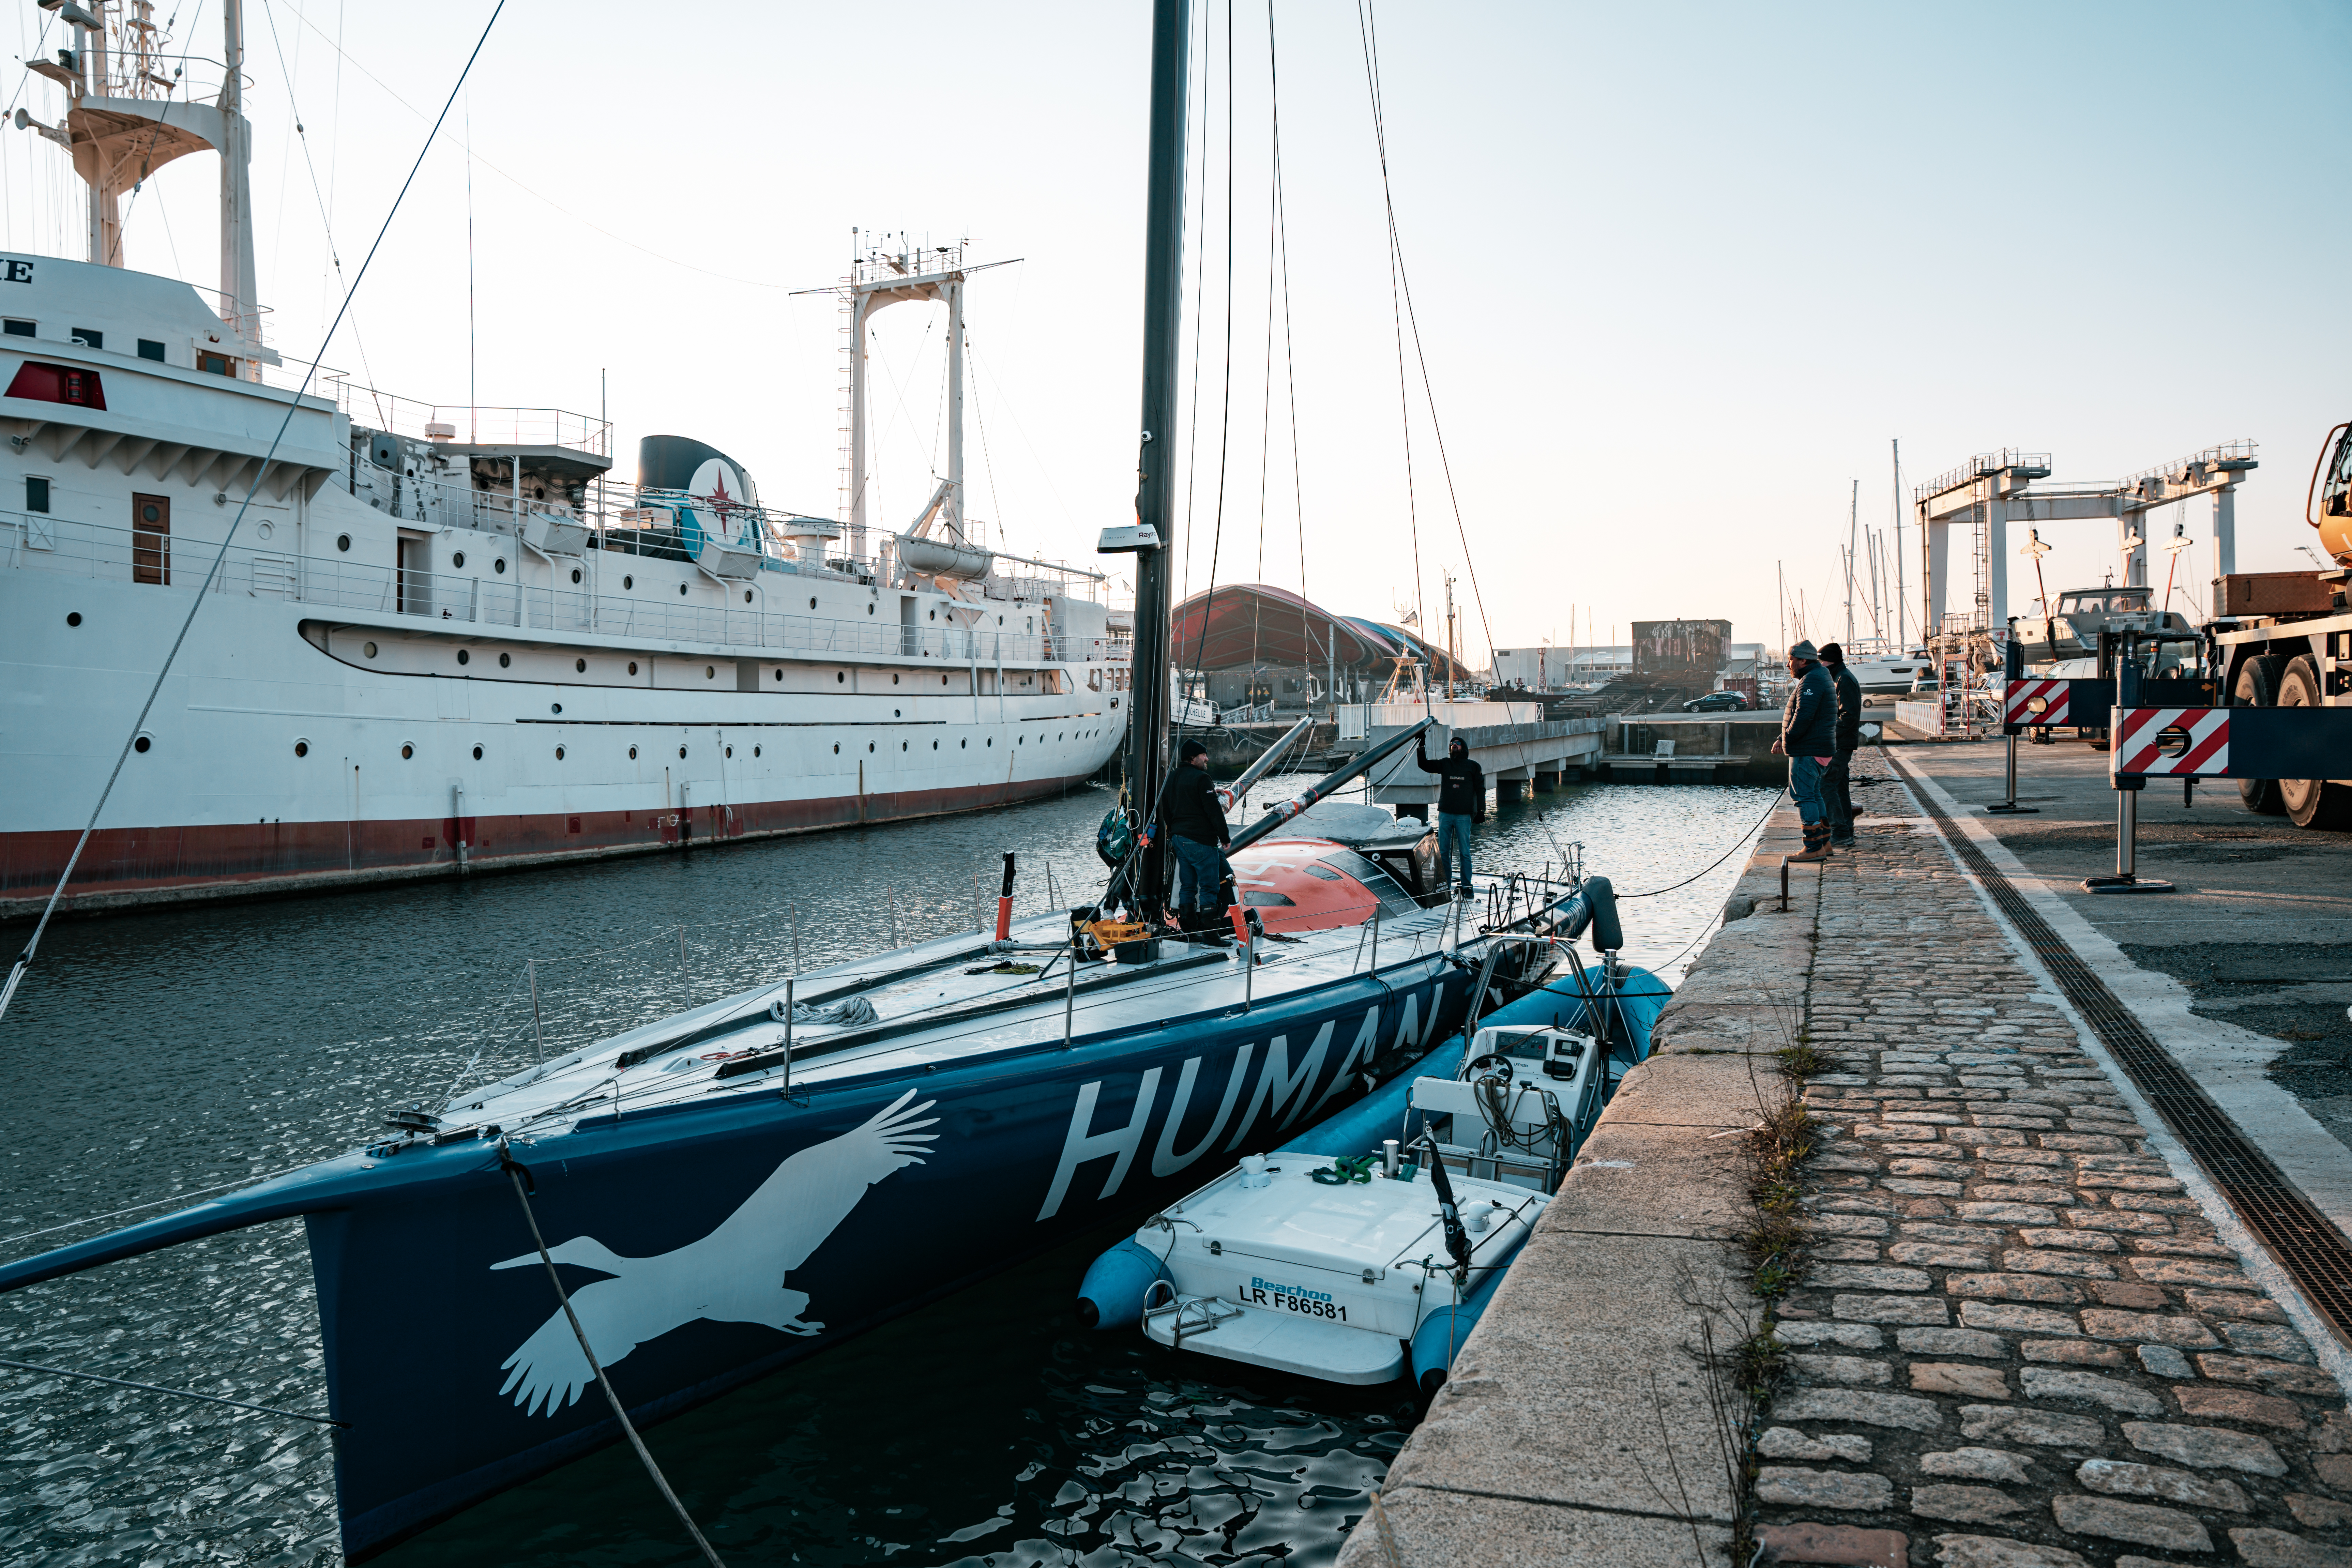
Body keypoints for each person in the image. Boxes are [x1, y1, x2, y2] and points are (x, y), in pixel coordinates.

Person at [1770, 640, 1837, 863]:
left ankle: (1812, 847)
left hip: (1808, 749)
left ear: (1802, 660)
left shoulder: (1812, 680)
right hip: (1818, 747)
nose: (1788, 664)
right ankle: (1824, 843)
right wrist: (1782, 738)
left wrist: (1788, 736)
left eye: (1790, 659)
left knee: (1803, 796)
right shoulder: (1820, 676)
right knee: (1815, 794)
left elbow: (1803, 715)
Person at [1160, 738, 1232, 935]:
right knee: (1209, 887)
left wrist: (1173, 832)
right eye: (1203, 755)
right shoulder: (1202, 779)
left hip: (1179, 839)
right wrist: (1224, 838)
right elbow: (1214, 811)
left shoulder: (1172, 778)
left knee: (1188, 885)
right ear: (1193, 758)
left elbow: (1167, 808)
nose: (1207, 759)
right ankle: (1210, 933)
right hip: (1201, 840)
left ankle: (1189, 927)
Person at [1415, 733, 1487, 897]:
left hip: (1463, 816)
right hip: (1445, 814)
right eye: (1452, 743)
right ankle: (1445, 886)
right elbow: (1424, 765)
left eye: (1458, 743)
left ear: (1464, 748)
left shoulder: (1473, 766)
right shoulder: (1445, 764)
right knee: (1444, 853)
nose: (1455, 745)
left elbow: (1480, 789)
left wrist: (1482, 811)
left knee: (1465, 853)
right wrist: (1421, 745)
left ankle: (1467, 888)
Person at [1818, 641, 1862, 849]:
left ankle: (1841, 831)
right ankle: (1847, 829)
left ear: (1830, 661)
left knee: (1826, 783)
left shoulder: (1843, 680)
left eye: (1821, 660)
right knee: (1840, 786)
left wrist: (1829, 736)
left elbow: (1849, 715)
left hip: (1840, 743)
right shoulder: (1838, 677)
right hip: (1842, 741)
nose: (1819, 664)